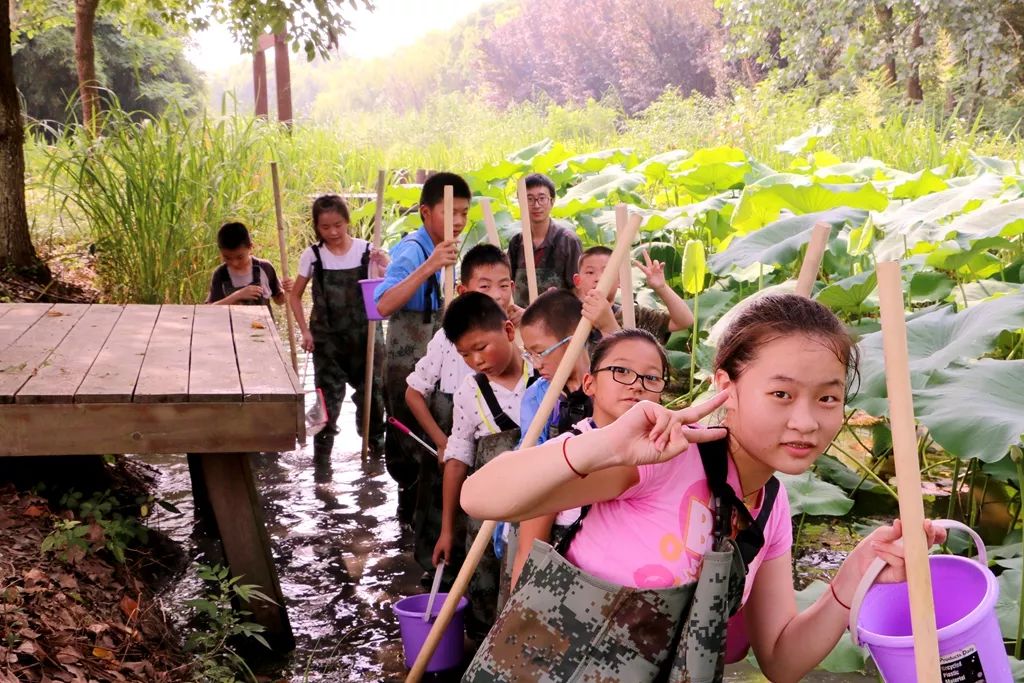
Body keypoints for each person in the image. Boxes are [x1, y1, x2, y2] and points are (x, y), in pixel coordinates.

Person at [461, 294, 946, 681]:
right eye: (781, 394)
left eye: (828, 397)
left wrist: (854, 574)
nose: (806, 421)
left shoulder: (771, 507)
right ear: (725, 386)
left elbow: (780, 659)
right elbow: (480, 497)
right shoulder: (665, 458)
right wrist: (600, 445)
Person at [404, 244, 517, 585]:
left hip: (506, 472)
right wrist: (442, 442)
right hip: (456, 438)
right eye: (485, 286)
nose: (497, 294)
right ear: (463, 290)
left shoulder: (526, 336)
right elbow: (414, 393)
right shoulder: (446, 342)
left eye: (504, 285)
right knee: (447, 513)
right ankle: (442, 573)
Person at [432, 292, 536, 635]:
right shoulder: (469, 393)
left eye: (481, 347)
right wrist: (448, 529)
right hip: (488, 517)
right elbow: (457, 460)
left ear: (509, 331)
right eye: (465, 354)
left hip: (539, 509)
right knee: (485, 589)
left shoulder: (545, 373)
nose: (476, 360)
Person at [374, 172, 470, 522]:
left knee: (434, 441)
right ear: (425, 212)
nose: (458, 221)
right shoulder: (414, 250)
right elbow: (383, 304)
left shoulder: (444, 249)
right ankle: (410, 524)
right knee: (410, 446)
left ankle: (423, 521)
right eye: (451, 212)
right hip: (405, 361)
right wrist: (430, 265)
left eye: (464, 212)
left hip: (434, 362)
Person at [287, 195, 389, 460]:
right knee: (327, 400)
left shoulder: (367, 251)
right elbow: (295, 295)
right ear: (317, 227)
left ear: (347, 222)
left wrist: (384, 264)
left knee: (373, 396)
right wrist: (305, 332)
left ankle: (375, 453)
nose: (333, 232)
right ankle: (321, 460)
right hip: (328, 341)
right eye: (325, 227)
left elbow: (387, 287)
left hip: (365, 336)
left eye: (338, 225)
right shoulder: (313, 256)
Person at [574, 245, 694, 343]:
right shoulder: (567, 316)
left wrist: (662, 288)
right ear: (577, 281)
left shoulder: (633, 314)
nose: (598, 278)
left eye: (607, 272)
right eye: (590, 272)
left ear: (620, 280)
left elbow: (684, 321)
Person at [507, 173, 582, 306]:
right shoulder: (516, 243)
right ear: (521, 204)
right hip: (520, 321)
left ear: (552, 201)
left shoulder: (568, 241)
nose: (536, 205)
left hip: (558, 320)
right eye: (529, 199)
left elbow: (577, 289)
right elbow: (507, 285)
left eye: (542, 198)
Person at [206, 222, 291, 310]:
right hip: (231, 323)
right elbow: (210, 309)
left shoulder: (265, 268)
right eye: (227, 258)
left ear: (250, 247)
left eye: (240, 257)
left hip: (262, 323)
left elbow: (279, 300)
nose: (234, 262)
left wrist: (289, 291)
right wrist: (237, 296)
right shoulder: (220, 274)